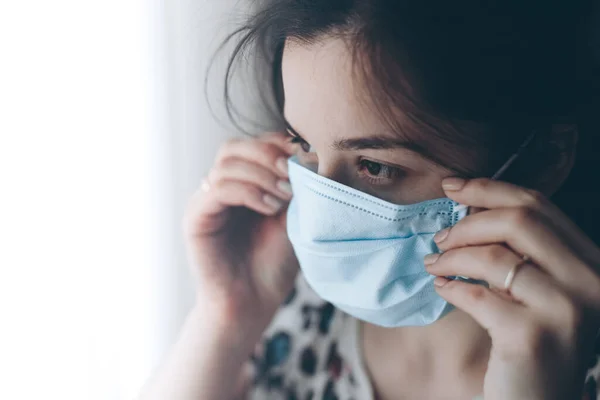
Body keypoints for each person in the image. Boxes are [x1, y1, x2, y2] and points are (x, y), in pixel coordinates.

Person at [138, 1, 600, 399]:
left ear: (543, 160)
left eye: (376, 166)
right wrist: (227, 315)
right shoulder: (296, 316)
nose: (323, 219)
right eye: (303, 144)